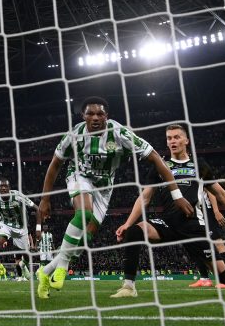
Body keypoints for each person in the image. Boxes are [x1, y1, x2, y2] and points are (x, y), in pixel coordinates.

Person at [35, 96, 194, 299]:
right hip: (79, 176)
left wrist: (176, 195)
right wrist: (45, 199)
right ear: (83, 116)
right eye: (90, 113)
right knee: (83, 213)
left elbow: (155, 157)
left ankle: (45, 271)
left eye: (99, 114)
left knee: (83, 242)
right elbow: (55, 164)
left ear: (106, 116)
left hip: (104, 188)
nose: (95, 117)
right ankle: (62, 266)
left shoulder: (119, 133)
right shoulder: (74, 135)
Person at [110, 125, 225, 298]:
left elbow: (221, 194)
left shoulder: (198, 165)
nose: (172, 141)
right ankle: (129, 286)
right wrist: (127, 223)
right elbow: (145, 197)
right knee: (135, 230)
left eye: (177, 137)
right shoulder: (160, 165)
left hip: (194, 227)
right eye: (169, 138)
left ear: (186, 141)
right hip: (168, 223)